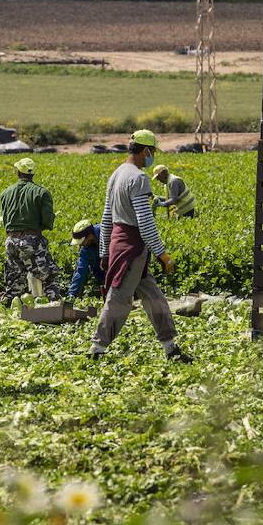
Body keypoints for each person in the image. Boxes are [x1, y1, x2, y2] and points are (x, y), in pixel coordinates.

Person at [89, 129, 192, 363]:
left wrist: (105, 250)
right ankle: (97, 349)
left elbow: (107, 218)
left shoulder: (116, 174)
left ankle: (170, 347)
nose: (152, 156)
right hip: (132, 248)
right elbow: (145, 223)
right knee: (119, 299)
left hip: (120, 244)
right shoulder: (138, 178)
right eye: (152, 152)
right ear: (145, 151)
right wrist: (163, 254)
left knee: (154, 296)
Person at [0, 157, 63, 304]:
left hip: (11, 241)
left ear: (18, 172)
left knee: (15, 280)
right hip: (31, 240)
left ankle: (8, 308)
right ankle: (54, 307)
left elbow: (5, 217)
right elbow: (47, 220)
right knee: (48, 275)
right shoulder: (41, 193)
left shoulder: (5, 193)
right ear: (32, 174)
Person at [67, 219, 106, 299]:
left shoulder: (106, 233)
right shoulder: (86, 249)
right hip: (103, 278)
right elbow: (80, 271)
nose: (81, 244)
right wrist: (72, 294)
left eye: (82, 241)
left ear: (90, 235)